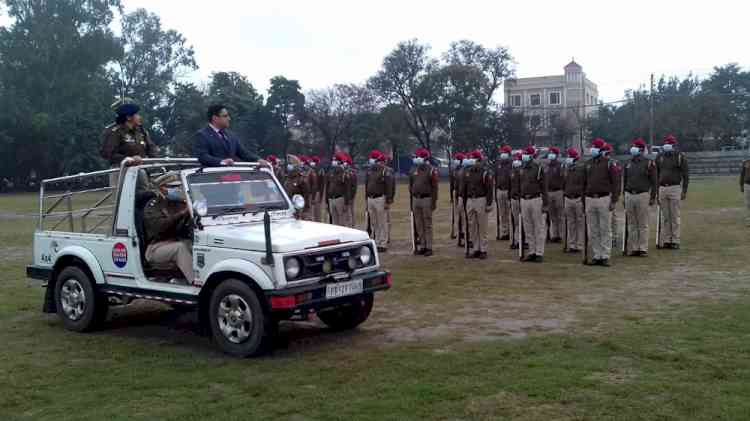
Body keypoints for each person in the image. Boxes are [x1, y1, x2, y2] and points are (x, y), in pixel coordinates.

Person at [142, 173, 195, 284]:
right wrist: (181, 214)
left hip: (177, 241)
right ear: (162, 188)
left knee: (197, 246)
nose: (177, 189)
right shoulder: (153, 205)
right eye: (172, 187)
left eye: (178, 186)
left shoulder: (178, 203)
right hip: (156, 247)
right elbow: (159, 227)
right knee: (180, 248)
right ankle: (195, 282)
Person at [100, 98, 158, 187]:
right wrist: (129, 159)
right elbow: (107, 153)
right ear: (128, 117)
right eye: (137, 114)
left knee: (148, 197)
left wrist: (156, 163)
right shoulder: (114, 131)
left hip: (141, 170)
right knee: (124, 199)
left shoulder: (141, 131)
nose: (139, 117)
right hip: (121, 171)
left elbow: (151, 148)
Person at [583, 138, 621, 266]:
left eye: (594, 147)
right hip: (590, 198)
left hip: (604, 198)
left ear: (600, 149)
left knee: (604, 228)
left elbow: (616, 183)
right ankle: (596, 254)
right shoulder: (588, 164)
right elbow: (584, 183)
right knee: (593, 229)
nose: (592, 149)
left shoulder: (609, 164)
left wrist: (614, 200)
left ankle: (605, 255)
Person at [193, 104, 263, 167]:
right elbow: (202, 156)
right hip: (211, 177)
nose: (229, 119)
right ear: (215, 118)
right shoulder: (202, 135)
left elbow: (244, 153)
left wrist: (258, 160)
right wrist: (221, 162)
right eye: (225, 116)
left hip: (230, 177)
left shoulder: (231, 136)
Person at [623, 139, 657, 256]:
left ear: (641, 149)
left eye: (635, 146)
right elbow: (625, 181)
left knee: (642, 223)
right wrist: (624, 196)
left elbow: (654, 182)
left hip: (642, 195)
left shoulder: (649, 163)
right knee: (632, 223)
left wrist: (652, 197)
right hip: (629, 195)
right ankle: (633, 247)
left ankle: (642, 248)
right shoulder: (628, 163)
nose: (633, 148)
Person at [655, 134, 689, 249]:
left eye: (669, 143)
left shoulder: (680, 157)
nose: (666, 145)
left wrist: (684, 190)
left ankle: (675, 240)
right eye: (665, 143)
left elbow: (686, 175)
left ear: (674, 145)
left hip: (675, 188)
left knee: (674, 216)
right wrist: (656, 191)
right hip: (662, 188)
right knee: (665, 216)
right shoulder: (659, 157)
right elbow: (656, 174)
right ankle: (666, 239)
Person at [462, 150, 493, 259]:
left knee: (482, 226)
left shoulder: (484, 172)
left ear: (478, 160)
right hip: (470, 200)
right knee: (472, 226)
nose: (471, 160)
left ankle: (483, 249)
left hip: (481, 199)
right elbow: (464, 189)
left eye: (473, 158)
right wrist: (464, 202)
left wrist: (489, 203)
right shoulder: (468, 172)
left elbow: (489, 189)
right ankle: (476, 248)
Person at [519, 146, 548, 262]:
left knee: (538, 227)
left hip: (536, 199)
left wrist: (545, 204)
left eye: (526, 154)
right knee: (528, 227)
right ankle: (531, 251)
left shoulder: (538, 169)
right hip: (524, 200)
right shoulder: (522, 168)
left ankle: (539, 252)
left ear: (531, 156)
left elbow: (544, 187)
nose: (524, 156)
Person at [409, 148, 439, 256]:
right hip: (416, 199)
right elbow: (410, 186)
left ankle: (429, 247)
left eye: (417, 157)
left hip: (427, 199)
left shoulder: (431, 170)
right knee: (419, 224)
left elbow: (435, 187)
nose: (415, 159)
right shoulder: (413, 170)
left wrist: (434, 202)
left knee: (427, 224)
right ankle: (422, 245)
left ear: (424, 158)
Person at [364, 150, 395, 252]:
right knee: (374, 222)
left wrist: (388, 201)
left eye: (372, 158)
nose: (371, 160)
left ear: (377, 159)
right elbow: (366, 186)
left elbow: (389, 186)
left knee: (382, 222)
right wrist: (366, 199)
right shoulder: (369, 171)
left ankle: (383, 243)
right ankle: (376, 242)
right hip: (370, 199)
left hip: (380, 198)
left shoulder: (384, 171)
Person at [563, 147, 585, 253]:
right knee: (571, 223)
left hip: (578, 198)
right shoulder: (566, 169)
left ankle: (579, 245)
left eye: (569, 156)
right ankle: (572, 245)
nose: (567, 158)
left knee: (579, 223)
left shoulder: (580, 169)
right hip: (568, 198)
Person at [325, 152, 354, 226]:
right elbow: (327, 188)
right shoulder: (331, 173)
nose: (333, 162)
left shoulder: (344, 174)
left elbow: (347, 189)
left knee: (342, 221)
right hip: (331, 199)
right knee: (334, 222)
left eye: (335, 160)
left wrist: (346, 203)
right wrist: (326, 202)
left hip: (340, 199)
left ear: (339, 162)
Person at [602, 143, 621, 249]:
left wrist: (616, 195)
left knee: (612, 217)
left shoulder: (614, 163)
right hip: (603, 192)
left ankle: (614, 237)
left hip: (610, 193)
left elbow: (617, 180)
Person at [283, 155, 312, 220]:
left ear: (296, 166)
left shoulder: (301, 179)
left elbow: (306, 197)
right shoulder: (287, 178)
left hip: (298, 210)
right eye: (288, 164)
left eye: (291, 164)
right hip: (287, 209)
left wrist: (305, 212)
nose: (289, 166)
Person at [546, 146, 564, 243]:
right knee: (552, 215)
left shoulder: (560, 166)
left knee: (560, 214)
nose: (550, 155)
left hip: (558, 191)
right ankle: (555, 234)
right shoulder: (547, 166)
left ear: (556, 155)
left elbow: (564, 179)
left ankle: (561, 235)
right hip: (549, 192)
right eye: (550, 153)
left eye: (552, 153)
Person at [494, 145, 513, 241]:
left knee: (510, 213)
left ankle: (512, 233)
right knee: (502, 213)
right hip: (500, 190)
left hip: (508, 190)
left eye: (503, 152)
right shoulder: (498, 163)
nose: (501, 154)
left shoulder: (512, 164)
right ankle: (505, 232)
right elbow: (496, 178)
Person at [450, 152, 467, 245]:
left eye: (457, 159)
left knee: (463, 217)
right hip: (455, 193)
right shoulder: (454, 170)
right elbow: (452, 184)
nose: (455, 161)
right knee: (457, 216)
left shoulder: (464, 170)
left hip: (462, 194)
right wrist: (452, 197)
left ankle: (464, 235)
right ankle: (458, 235)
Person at [509, 152, 523, 250]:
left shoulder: (523, 172)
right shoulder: (512, 171)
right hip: (514, 198)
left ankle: (521, 240)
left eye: (518, 159)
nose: (516, 161)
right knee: (515, 222)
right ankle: (515, 240)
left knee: (523, 221)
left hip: (521, 198)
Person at [310, 155, 325, 222]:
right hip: (312, 192)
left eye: (313, 161)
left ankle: (318, 222)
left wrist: (321, 196)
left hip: (317, 192)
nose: (312, 163)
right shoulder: (311, 170)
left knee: (317, 211)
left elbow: (322, 184)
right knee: (312, 211)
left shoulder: (320, 170)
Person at [741, 157, 750, 227]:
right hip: (746, 185)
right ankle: (748, 220)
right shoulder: (745, 163)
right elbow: (742, 175)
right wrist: (741, 185)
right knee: (747, 203)